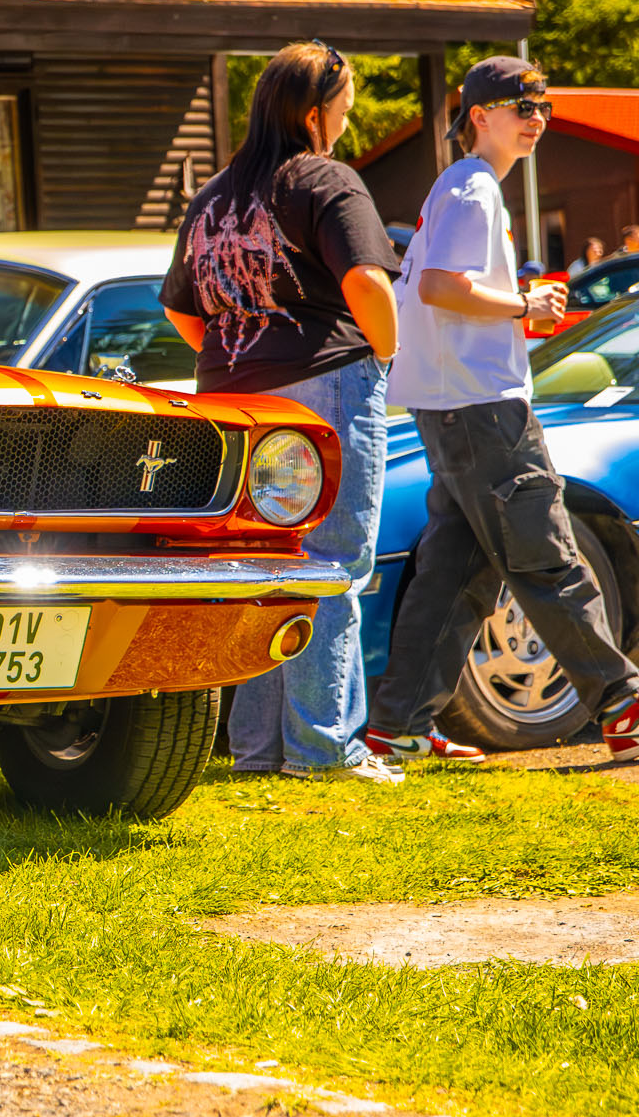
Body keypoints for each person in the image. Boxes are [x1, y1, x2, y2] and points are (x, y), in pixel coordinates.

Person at [367, 58, 639, 766]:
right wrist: (524, 303)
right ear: (480, 116)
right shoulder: (475, 187)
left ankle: (396, 725)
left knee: (455, 575)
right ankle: (624, 705)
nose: (538, 120)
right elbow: (439, 285)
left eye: (543, 107)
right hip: (483, 408)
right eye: (524, 107)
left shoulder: (460, 185)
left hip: (452, 406)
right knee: (549, 557)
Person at [160, 41, 405, 784]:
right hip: (324, 385)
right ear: (311, 115)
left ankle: (260, 750)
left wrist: (243, 354)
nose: (347, 122)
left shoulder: (212, 197)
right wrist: (384, 353)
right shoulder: (326, 179)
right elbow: (367, 282)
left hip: (230, 400)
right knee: (331, 566)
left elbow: (180, 311)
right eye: (344, 109)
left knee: (260, 569)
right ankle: (324, 749)